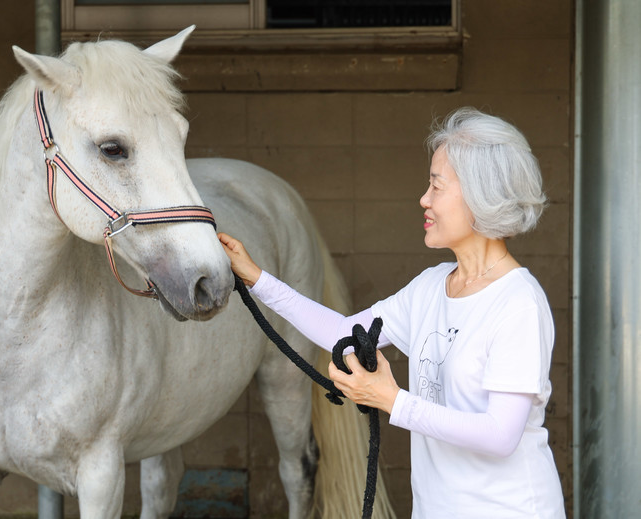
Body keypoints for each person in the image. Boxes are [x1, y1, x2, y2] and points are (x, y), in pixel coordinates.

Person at [218, 107, 566, 518]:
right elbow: (344, 332)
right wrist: (257, 278)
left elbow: (500, 435)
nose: (424, 199)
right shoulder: (431, 286)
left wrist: (391, 400)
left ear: (480, 194)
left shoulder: (518, 303)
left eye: (436, 186)